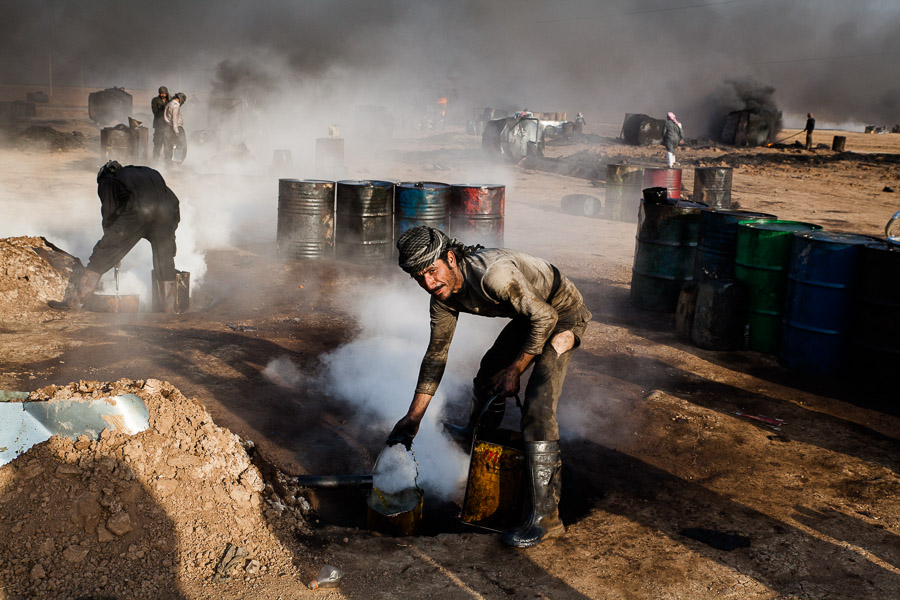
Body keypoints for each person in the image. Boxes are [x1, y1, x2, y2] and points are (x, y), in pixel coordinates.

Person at [387, 226, 592, 548]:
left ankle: (547, 519)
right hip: (530, 316)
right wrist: (413, 416)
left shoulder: (493, 276)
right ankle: (474, 437)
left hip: (560, 316)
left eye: (431, 270)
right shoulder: (441, 298)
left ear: (450, 258)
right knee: (486, 378)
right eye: (418, 277)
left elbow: (546, 316)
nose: (428, 283)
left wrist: (516, 369)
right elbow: (436, 356)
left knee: (538, 407)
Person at [49, 161, 181, 312]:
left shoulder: (108, 179)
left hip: (138, 213)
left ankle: (75, 302)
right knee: (164, 260)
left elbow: (110, 213)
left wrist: (111, 244)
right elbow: (174, 200)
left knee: (101, 254)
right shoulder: (147, 173)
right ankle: (169, 310)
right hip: (167, 214)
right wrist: (170, 234)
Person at [163, 92, 187, 162]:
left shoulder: (169, 104)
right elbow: (174, 118)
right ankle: (178, 163)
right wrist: (176, 131)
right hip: (176, 127)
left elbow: (165, 117)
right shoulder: (176, 106)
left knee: (168, 146)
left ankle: (168, 163)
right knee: (181, 146)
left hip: (167, 127)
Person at [150, 86, 169, 160]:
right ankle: (155, 160)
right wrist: (163, 109)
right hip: (158, 125)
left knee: (167, 145)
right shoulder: (155, 100)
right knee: (158, 144)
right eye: (161, 93)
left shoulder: (169, 101)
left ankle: (167, 161)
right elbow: (155, 111)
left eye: (164, 93)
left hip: (167, 126)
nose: (163, 95)